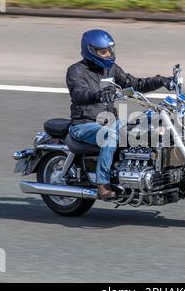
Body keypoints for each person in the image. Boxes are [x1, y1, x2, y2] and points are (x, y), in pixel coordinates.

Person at [66, 29, 173, 199]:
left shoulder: (111, 69)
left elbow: (135, 84)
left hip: (110, 122)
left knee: (142, 127)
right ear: (91, 51)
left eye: (110, 50)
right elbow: (79, 93)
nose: (108, 54)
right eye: (103, 51)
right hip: (84, 125)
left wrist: (161, 80)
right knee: (110, 135)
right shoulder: (76, 71)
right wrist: (98, 94)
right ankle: (102, 184)